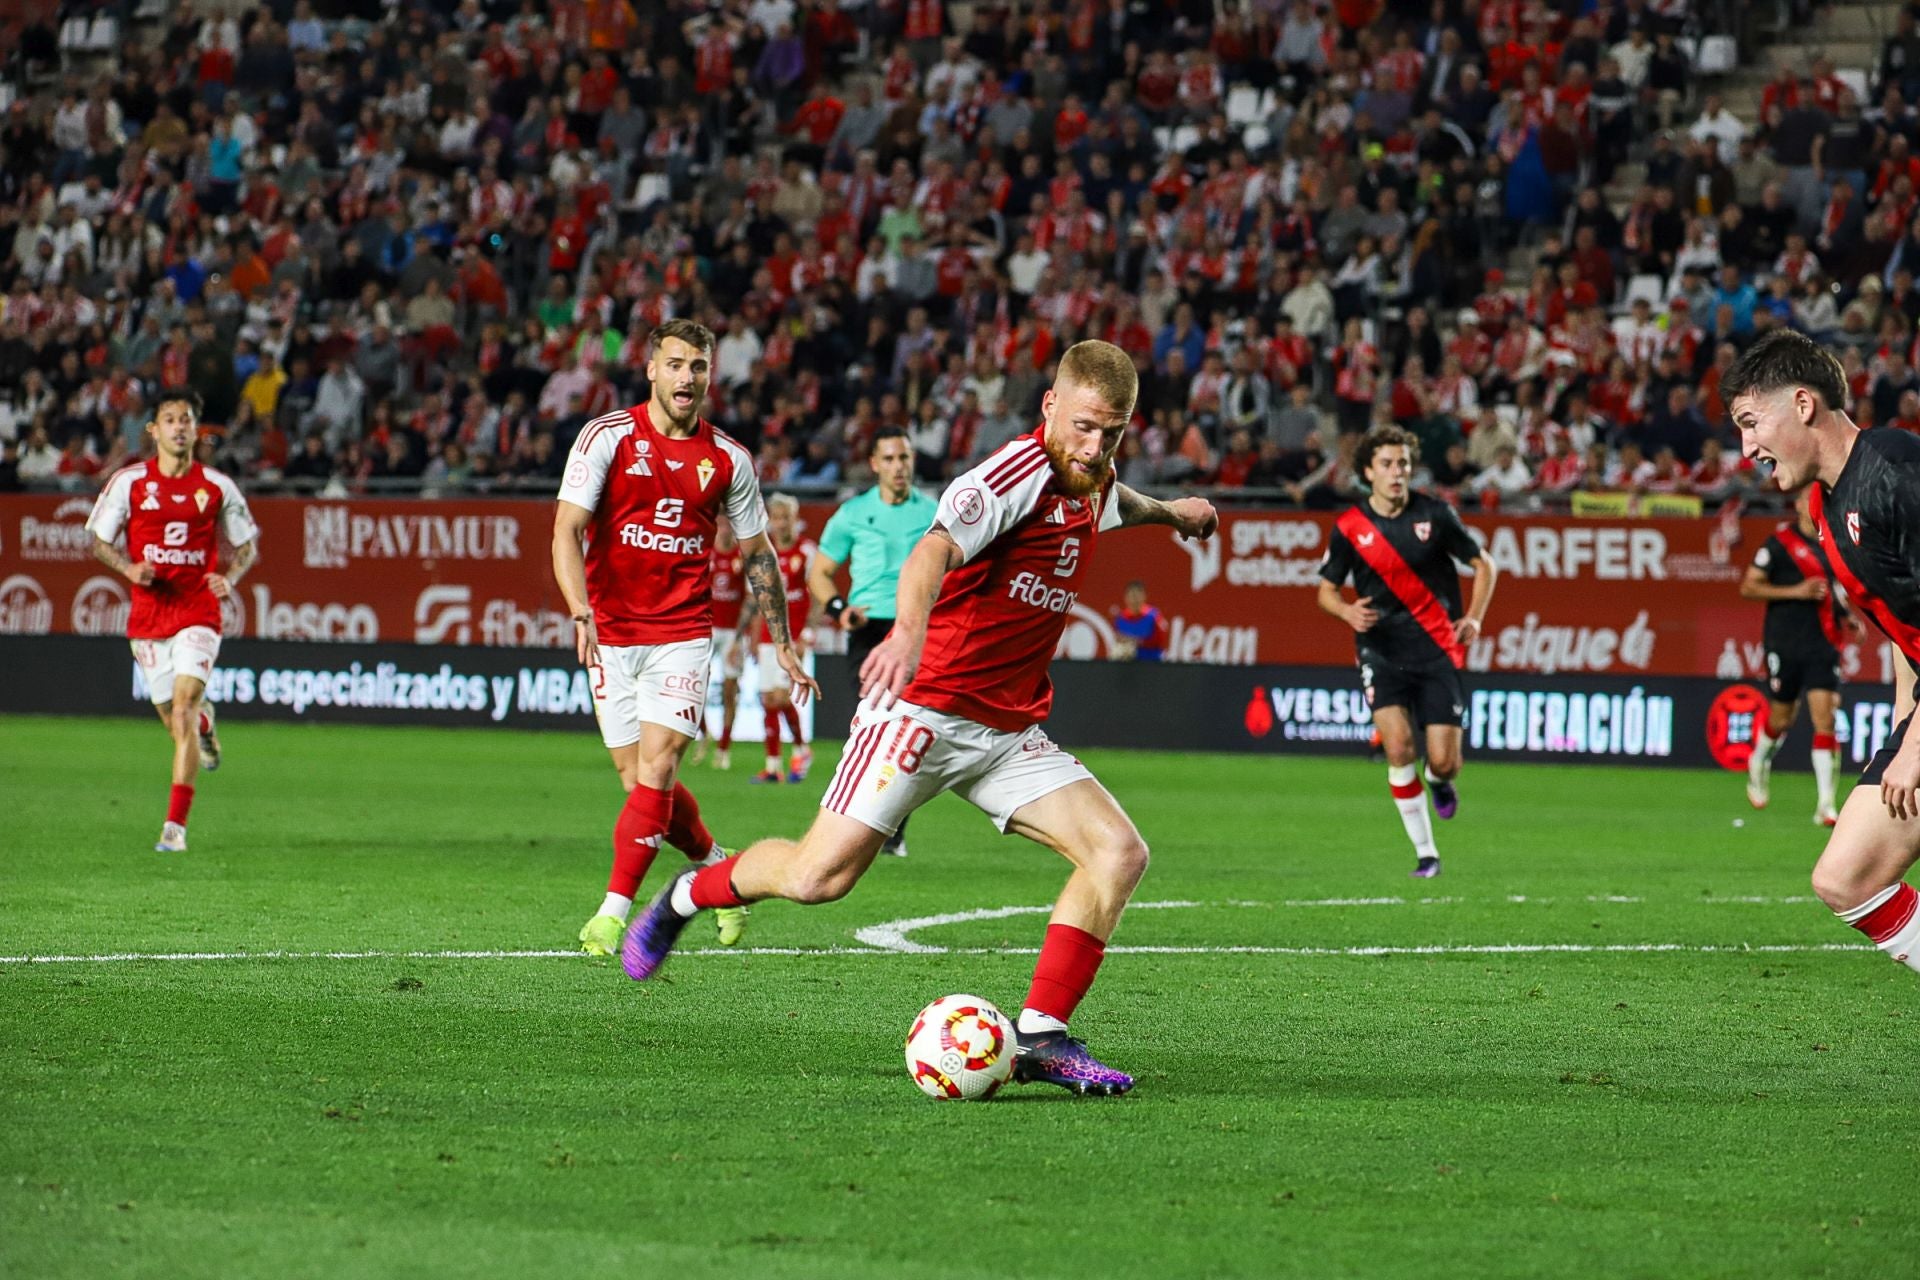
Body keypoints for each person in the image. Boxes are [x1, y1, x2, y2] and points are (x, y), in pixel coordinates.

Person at [617, 340, 1219, 1097]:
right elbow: (931, 552)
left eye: (1115, 434)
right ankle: (684, 896)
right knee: (817, 878)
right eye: (1087, 428)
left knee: (1118, 854)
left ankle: (1040, 1036)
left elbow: (1115, 500)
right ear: (1050, 408)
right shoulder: (1012, 476)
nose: (1097, 448)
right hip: (923, 711)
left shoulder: (1090, 477)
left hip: (1005, 733)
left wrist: (1173, 514)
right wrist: (904, 633)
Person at [556, 319, 819, 958]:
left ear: (710, 375)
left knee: (661, 766)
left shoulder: (728, 458)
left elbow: (759, 555)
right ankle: (718, 866)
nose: (687, 377)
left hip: (680, 633)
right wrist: (580, 611)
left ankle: (614, 915)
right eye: (675, 364)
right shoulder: (607, 438)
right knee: (640, 785)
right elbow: (566, 530)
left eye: (698, 367)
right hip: (612, 635)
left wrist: (781, 639)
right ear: (651, 369)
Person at [1727, 330, 1920, 976]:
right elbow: (1905, 624)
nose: (1745, 447)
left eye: (1752, 423)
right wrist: (1904, 721)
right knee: (1846, 876)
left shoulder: (1893, 467)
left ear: (1803, 404)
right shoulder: (1822, 506)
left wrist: (1917, 745)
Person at [1316, 424, 1498, 878]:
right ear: (1367, 472)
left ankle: (1439, 782)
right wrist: (1346, 613)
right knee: (1398, 748)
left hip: (1438, 649)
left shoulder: (1436, 515)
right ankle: (1427, 855)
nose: (1398, 473)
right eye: (1387, 465)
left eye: (1403, 464)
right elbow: (1325, 590)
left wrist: (1473, 617)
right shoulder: (1350, 527)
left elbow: (1484, 564)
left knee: (1443, 761)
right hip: (1380, 651)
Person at [84, 388, 259, 853]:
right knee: (174, 720)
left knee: (182, 709)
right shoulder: (130, 482)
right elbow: (97, 539)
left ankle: (174, 829)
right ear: (153, 430)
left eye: (186, 419)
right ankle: (206, 728)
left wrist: (231, 577)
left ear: (196, 430)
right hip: (149, 614)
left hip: (198, 609)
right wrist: (127, 568)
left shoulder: (218, 486)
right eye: (170, 419)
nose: (179, 426)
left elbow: (248, 546)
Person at [807, 425, 938, 854]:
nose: (899, 467)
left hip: (915, 628)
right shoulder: (852, 513)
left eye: (904, 458)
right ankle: (876, 824)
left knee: (909, 726)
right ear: (874, 465)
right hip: (868, 632)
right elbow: (820, 573)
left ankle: (888, 826)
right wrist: (839, 609)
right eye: (890, 459)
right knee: (878, 725)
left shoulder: (935, 512)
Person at [1739, 485, 1859, 824]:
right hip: (1785, 642)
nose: (1816, 505)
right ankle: (1759, 760)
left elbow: (1835, 590)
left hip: (1823, 642)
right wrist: (1796, 591)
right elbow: (1749, 586)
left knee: (1826, 718)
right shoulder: (1778, 544)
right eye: (1810, 499)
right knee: (1782, 718)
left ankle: (1825, 804)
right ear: (1798, 504)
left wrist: (1849, 618)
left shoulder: (1832, 541)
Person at [733, 493, 818, 784]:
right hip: (769, 636)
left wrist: (808, 634)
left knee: (781, 697)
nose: (780, 523)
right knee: (768, 698)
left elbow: (818, 596)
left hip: (793, 637)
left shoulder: (806, 551)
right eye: (775, 517)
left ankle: (801, 749)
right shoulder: (761, 554)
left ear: (795, 519)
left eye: (785, 517)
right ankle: (772, 767)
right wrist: (749, 637)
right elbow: (755, 600)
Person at [688, 515, 746, 770]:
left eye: (728, 525)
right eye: (720, 524)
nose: (724, 530)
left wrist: (739, 637)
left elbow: (750, 600)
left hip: (733, 634)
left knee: (730, 691)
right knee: (693, 686)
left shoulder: (741, 557)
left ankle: (724, 749)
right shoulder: (705, 553)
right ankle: (703, 734)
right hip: (706, 629)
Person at [1110, 581, 1169, 660]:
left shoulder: (1154, 616)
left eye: (1138, 595)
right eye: (1132, 595)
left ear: (1144, 596)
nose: (1135, 600)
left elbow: (1160, 642)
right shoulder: (1120, 619)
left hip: (1151, 663)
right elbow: (1118, 640)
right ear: (1126, 597)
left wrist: (1134, 641)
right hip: (1128, 667)